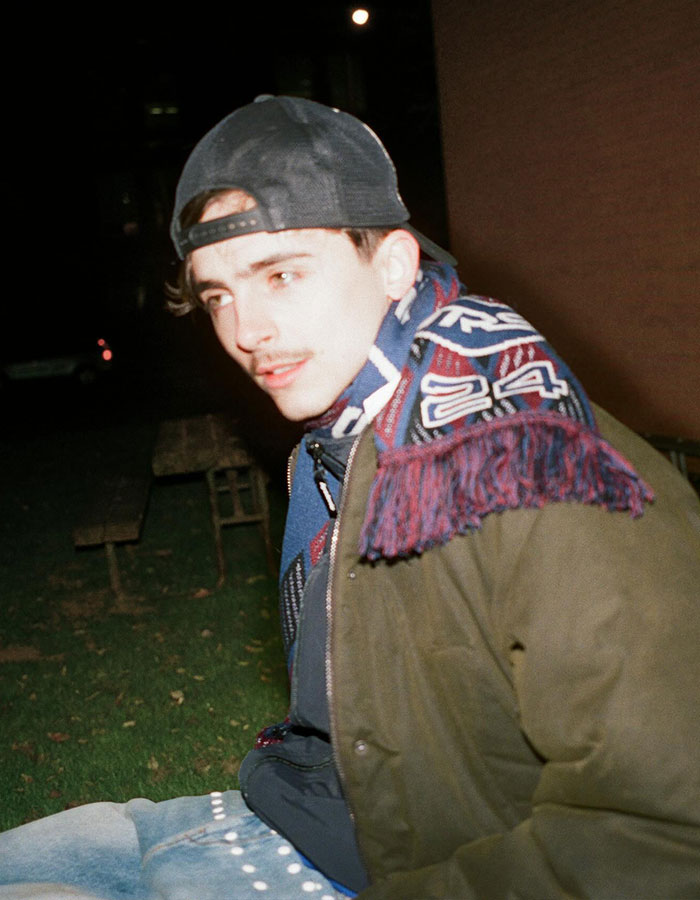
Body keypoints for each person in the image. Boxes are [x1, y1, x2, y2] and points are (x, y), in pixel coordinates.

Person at [1, 95, 699, 899]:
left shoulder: (536, 469)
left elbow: (665, 833)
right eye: (220, 294)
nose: (247, 330)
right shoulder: (343, 443)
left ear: (395, 264)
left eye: (281, 274)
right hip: (305, 812)